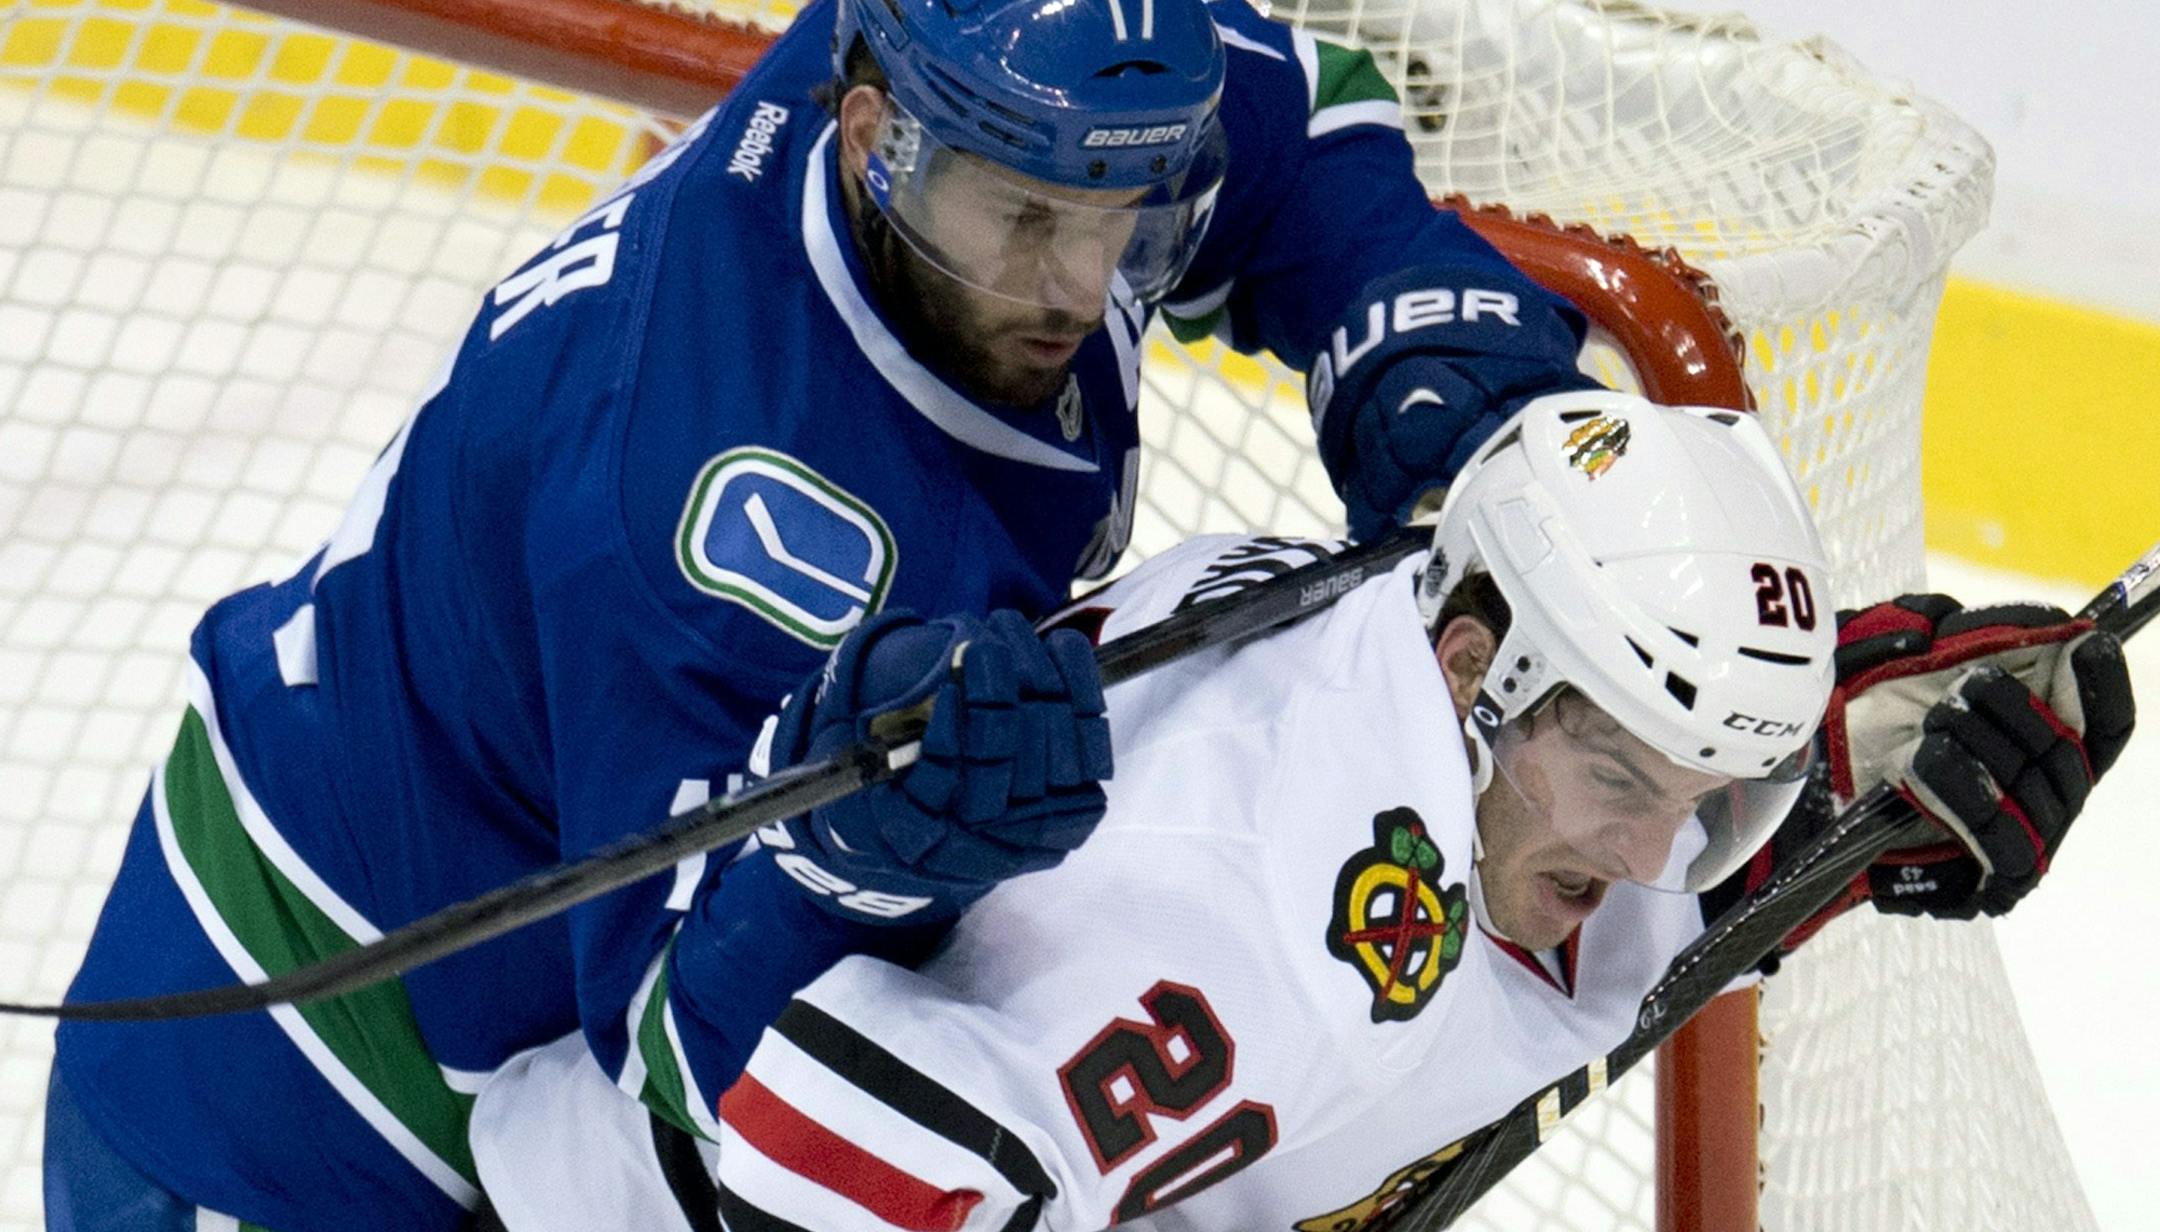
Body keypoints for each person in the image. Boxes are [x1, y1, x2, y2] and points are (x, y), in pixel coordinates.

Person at [43, 0, 1609, 1226]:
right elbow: (676, 1056)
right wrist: (853, 845)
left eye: (1129, 216)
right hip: (296, 1106)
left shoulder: (1019, 91)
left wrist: (1423, 336)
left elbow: (1300, 128)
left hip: (516, 1072)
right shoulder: (710, 514)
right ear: (872, 140)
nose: (1084, 284)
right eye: (1030, 226)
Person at [461, 391, 2135, 1231]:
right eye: (1627, 781)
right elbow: (800, 1163)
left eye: (1718, 796)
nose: (1652, 861)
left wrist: (1822, 813)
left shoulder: (1409, 635)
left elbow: (1616, 867)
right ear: (1475, 666)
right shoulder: (1242, 922)